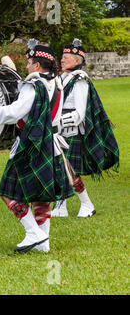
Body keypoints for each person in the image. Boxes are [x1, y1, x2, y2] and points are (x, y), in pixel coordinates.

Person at [0, 41, 74, 252]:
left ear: (38, 66)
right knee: (41, 196)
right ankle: (44, 242)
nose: (27, 66)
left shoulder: (33, 86)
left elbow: (15, 113)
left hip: (31, 144)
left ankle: (34, 234)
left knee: (8, 191)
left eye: (30, 62)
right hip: (52, 146)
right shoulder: (57, 84)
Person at [52, 39, 119, 218]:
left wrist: (58, 123)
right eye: (62, 57)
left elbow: (80, 114)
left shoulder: (80, 81)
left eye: (66, 57)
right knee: (61, 169)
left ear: (77, 61)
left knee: (69, 170)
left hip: (72, 131)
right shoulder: (63, 79)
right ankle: (61, 206)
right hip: (61, 132)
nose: (62, 60)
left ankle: (87, 204)